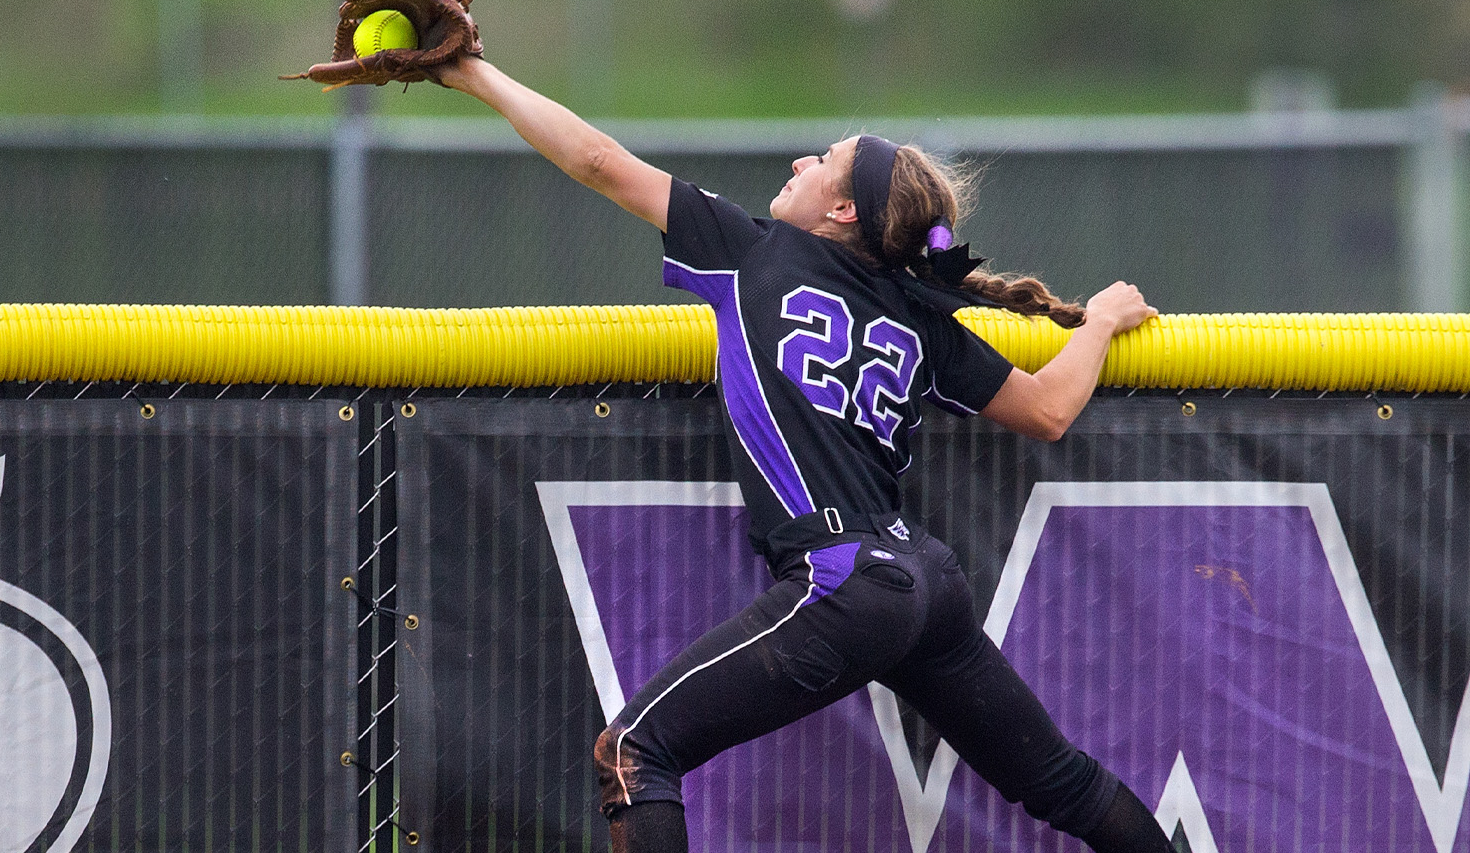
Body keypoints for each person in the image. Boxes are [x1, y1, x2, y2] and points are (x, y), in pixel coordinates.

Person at [432, 53, 1171, 853]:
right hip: (926, 582)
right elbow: (1050, 410)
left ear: (844, 209)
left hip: (845, 580)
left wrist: (471, 73)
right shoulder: (921, 313)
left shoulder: (755, 253)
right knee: (1061, 782)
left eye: (823, 161)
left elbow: (598, 161)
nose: (801, 162)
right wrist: (1097, 322)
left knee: (635, 752)